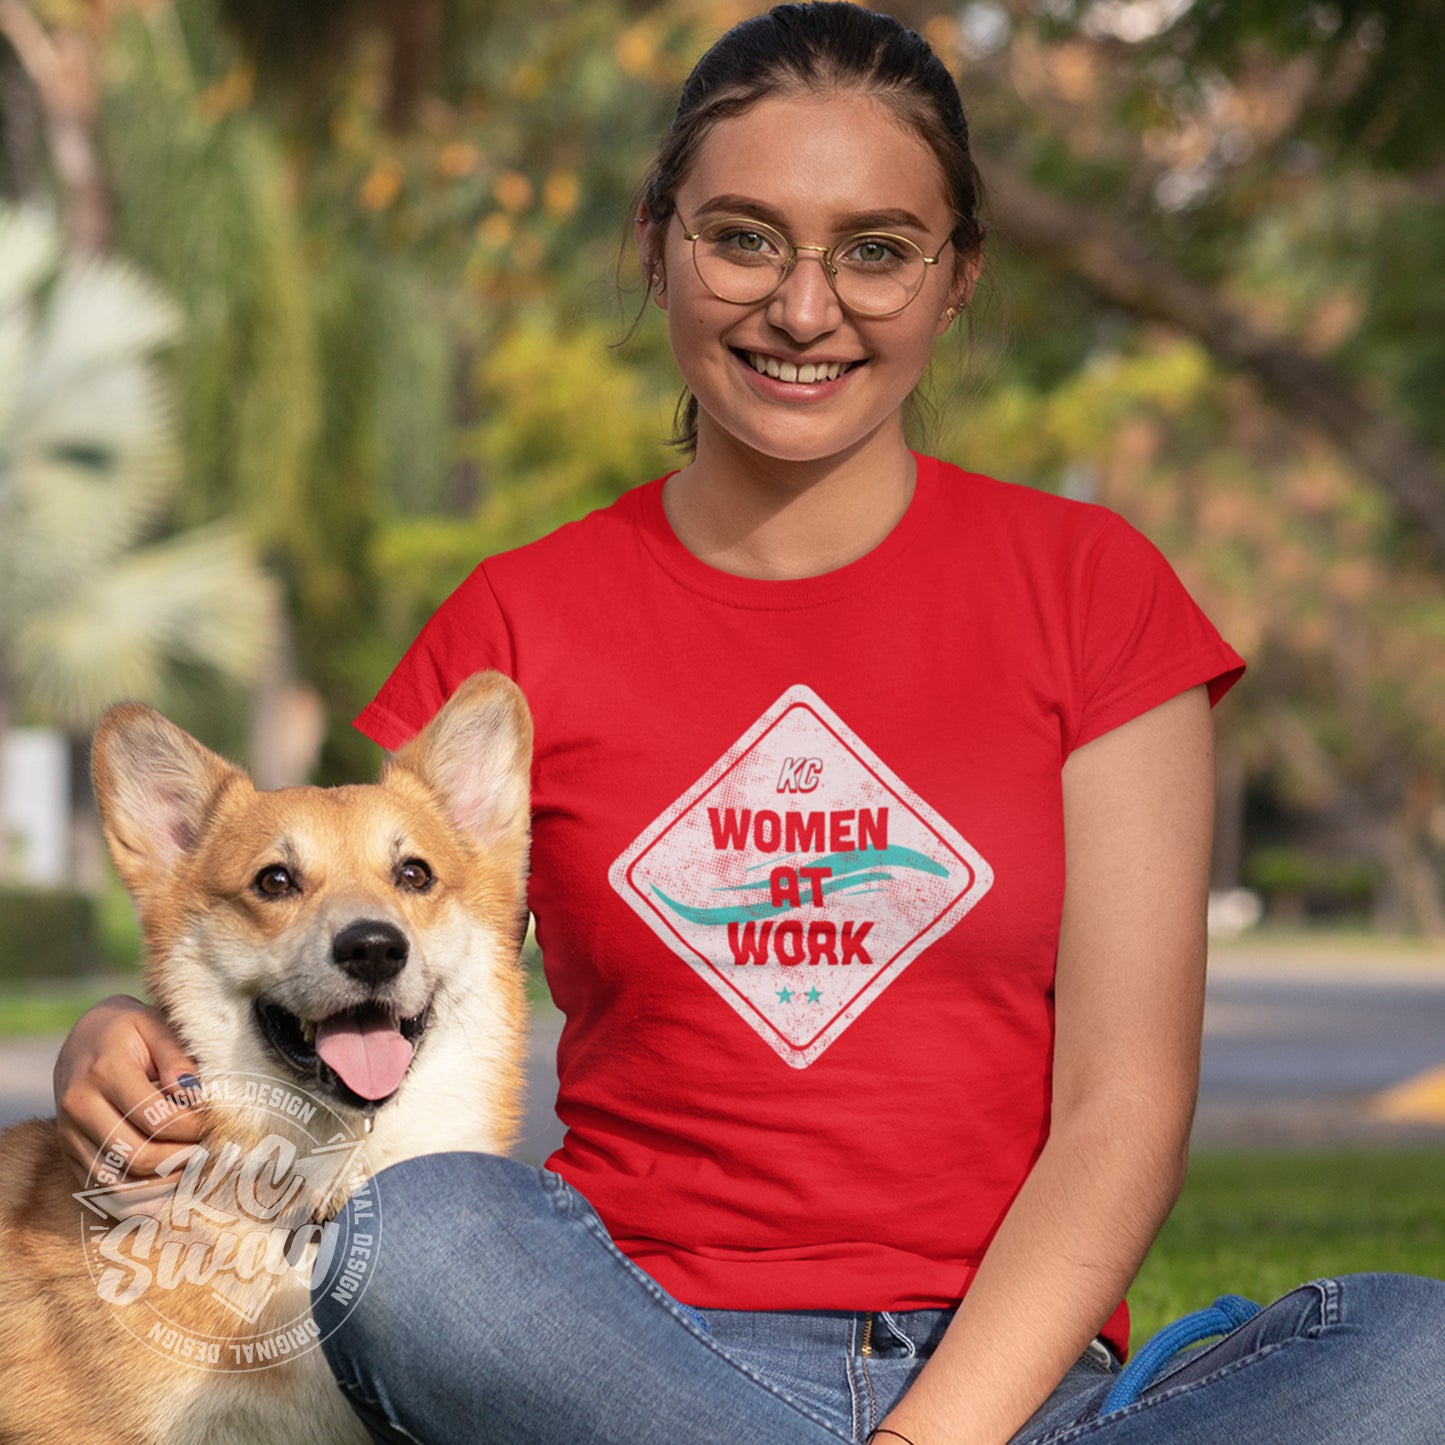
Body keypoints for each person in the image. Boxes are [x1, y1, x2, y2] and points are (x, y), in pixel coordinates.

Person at [52, 5, 1445, 1443]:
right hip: (613, 1355)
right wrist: (113, 1026)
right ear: (656, 244)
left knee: (1424, 1349)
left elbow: (1123, 1111)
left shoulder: (1092, 592)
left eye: (877, 249)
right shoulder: (520, 618)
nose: (801, 305)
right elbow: (342, 931)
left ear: (956, 277)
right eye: (743, 237)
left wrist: (926, 1434)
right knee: (418, 1244)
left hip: (1018, 1385)